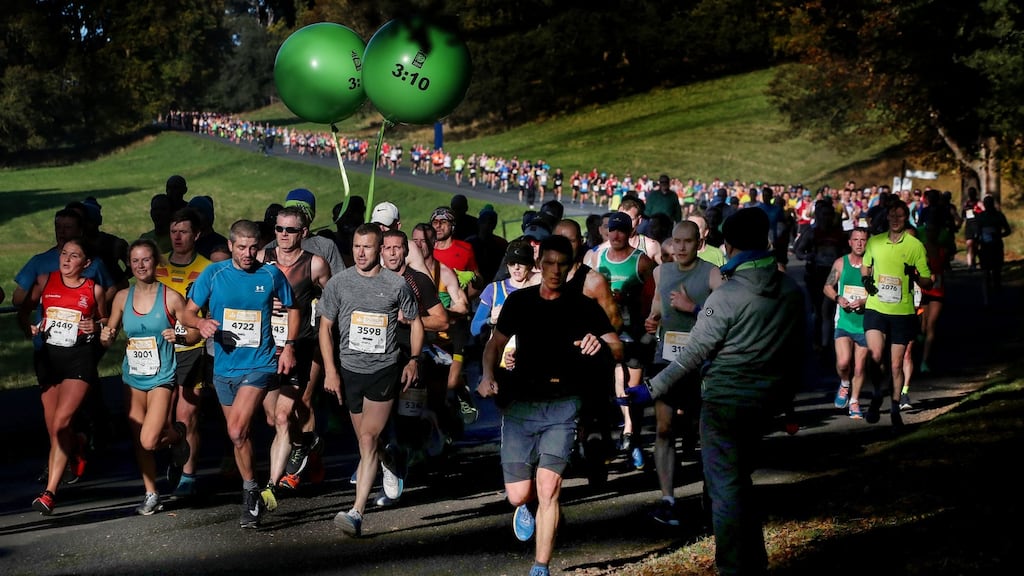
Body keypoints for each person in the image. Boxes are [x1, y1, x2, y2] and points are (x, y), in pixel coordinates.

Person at [637, 207, 806, 576]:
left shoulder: (726, 296)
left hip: (725, 400)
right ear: (766, 242)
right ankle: (754, 560)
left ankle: (733, 566)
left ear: (725, 246)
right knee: (739, 480)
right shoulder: (791, 290)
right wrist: (789, 401)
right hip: (766, 401)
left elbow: (692, 355)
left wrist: (650, 390)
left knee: (725, 489)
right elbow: (798, 351)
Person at [477, 235, 623, 576]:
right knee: (518, 494)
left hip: (564, 405)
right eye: (550, 264)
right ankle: (526, 507)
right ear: (540, 265)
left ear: (571, 266)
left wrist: (599, 342)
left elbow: (617, 347)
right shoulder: (520, 303)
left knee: (549, 489)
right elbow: (494, 345)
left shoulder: (583, 306)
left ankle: (540, 566)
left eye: (563, 264)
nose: (555, 271)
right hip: (521, 405)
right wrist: (487, 375)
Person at [178, 219, 299, 529]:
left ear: (260, 248)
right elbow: (186, 311)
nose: (247, 253)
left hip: (259, 364)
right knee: (240, 436)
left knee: (235, 430)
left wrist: (288, 346)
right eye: (242, 247)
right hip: (224, 367)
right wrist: (200, 324)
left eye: (253, 248)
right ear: (230, 246)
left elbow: (293, 307)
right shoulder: (214, 274)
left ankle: (249, 496)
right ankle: (251, 489)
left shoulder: (270, 274)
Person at [318, 224, 423, 537]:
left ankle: (356, 512)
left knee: (366, 440)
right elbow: (325, 328)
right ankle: (389, 457)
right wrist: (331, 370)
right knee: (369, 442)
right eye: (356, 246)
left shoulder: (396, 284)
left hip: (384, 369)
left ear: (379, 249)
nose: (360, 253)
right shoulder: (339, 283)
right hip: (350, 370)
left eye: (367, 247)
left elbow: (416, 323)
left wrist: (414, 360)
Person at [100, 239, 193, 515]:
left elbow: (195, 332)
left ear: (156, 262)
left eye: (146, 260)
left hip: (162, 376)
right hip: (133, 377)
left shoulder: (171, 297)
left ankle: (177, 437)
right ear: (130, 264)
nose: (141, 265)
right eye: (136, 261)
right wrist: (105, 337)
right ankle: (151, 492)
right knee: (138, 437)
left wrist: (179, 335)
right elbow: (110, 335)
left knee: (149, 440)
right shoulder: (121, 297)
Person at [19, 237, 108, 515]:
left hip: (79, 358)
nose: (67, 260)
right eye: (64, 254)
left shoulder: (94, 290)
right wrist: (29, 329)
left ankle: (49, 493)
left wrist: (96, 324)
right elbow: (24, 310)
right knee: (53, 427)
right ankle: (77, 443)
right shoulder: (46, 280)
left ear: (86, 263)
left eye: (74, 256)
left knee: (60, 423)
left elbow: (106, 323)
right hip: (48, 359)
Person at [642, 220, 722, 526]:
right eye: (676, 241)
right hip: (667, 358)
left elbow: (726, 314)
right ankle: (668, 498)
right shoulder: (662, 272)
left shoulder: (712, 274)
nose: (681, 247)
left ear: (698, 242)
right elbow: (657, 307)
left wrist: (694, 307)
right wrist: (652, 321)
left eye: (687, 241)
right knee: (664, 428)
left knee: (699, 429)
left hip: (701, 360)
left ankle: (711, 491)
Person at [257, 206, 331, 502]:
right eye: (279, 229)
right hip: (266, 347)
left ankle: (270, 487)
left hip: (300, 346)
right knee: (273, 419)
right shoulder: (264, 258)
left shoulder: (315, 264)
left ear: (304, 233)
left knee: (286, 414)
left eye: (290, 230)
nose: (283, 235)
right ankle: (304, 443)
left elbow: (333, 298)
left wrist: (319, 318)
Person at [585, 211, 655, 470]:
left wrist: (630, 299)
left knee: (631, 390)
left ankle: (632, 438)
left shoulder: (642, 262)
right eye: (611, 230)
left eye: (621, 231)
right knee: (605, 390)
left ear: (629, 233)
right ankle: (606, 442)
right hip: (605, 333)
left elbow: (653, 298)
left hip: (634, 332)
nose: (615, 235)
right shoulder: (597, 259)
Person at [860, 201, 933, 428]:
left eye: (900, 216)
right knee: (875, 355)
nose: (895, 219)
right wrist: (865, 279)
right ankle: (876, 394)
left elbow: (928, 280)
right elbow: (865, 266)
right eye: (892, 215)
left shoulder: (915, 246)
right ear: (887, 217)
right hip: (876, 307)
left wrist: (913, 274)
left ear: (906, 218)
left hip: (902, 311)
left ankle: (894, 407)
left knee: (895, 364)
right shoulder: (875, 242)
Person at [156, 207, 212, 497]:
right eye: (173, 231)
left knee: (187, 414)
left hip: (192, 348)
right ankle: (177, 448)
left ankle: (189, 476)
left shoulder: (207, 268)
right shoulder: (156, 264)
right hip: (159, 351)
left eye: (184, 232)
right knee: (163, 417)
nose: (177, 237)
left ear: (196, 235)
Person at [823, 227, 870, 417]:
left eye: (863, 240)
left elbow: (880, 293)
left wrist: (865, 301)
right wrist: (838, 298)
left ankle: (855, 401)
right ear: (850, 242)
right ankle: (844, 383)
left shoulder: (873, 266)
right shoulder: (840, 263)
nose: (859, 243)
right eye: (856, 239)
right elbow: (827, 286)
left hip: (866, 324)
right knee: (843, 363)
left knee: (859, 367)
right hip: (844, 322)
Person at [975, 195, 1012, 306]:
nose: (988, 205)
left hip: (996, 247)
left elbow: (1008, 230)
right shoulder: (981, 216)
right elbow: (977, 233)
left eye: (989, 203)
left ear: (992, 204)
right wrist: (977, 245)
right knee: (986, 273)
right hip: (985, 247)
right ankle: (987, 301)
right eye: (986, 203)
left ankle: (996, 299)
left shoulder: (999, 216)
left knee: (996, 274)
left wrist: (998, 234)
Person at [189, 196, 230, 261]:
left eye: (199, 213)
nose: (194, 218)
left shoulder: (221, 244)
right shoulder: (186, 242)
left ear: (208, 217)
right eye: (190, 214)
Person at [960, 187, 983, 271]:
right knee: (969, 245)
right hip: (969, 226)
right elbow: (963, 215)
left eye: (972, 193)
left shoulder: (979, 203)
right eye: (970, 193)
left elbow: (984, 212)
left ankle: (978, 262)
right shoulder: (967, 203)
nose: (971, 195)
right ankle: (970, 265)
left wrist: (978, 211)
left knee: (977, 246)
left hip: (977, 226)